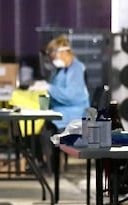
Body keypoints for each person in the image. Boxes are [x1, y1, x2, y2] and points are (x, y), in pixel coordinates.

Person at [37, 34, 90, 168]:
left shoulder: (76, 68)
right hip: (59, 110)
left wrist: (49, 88)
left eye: (53, 54)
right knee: (36, 129)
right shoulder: (60, 70)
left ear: (64, 52)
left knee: (44, 132)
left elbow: (71, 96)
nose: (51, 58)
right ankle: (45, 163)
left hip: (73, 113)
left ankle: (51, 167)